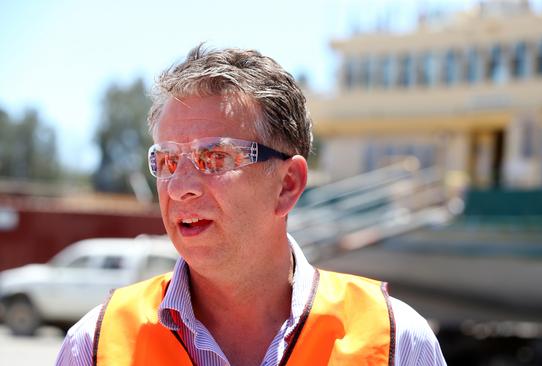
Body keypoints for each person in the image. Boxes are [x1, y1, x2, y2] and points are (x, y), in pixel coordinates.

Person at [56, 44, 446, 366]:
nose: (179, 188)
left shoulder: (395, 342)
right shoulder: (95, 345)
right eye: (168, 161)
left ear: (287, 185)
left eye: (216, 158)